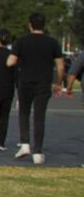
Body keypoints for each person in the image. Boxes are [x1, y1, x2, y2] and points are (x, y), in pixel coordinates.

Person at [7, 12, 63, 165]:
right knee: (39, 117)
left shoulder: (22, 41)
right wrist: (58, 83)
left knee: (23, 113)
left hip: (25, 81)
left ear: (29, 25)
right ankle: (37, 152)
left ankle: (25, 144)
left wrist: (20, 59)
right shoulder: (52, 42)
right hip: (43, 83)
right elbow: (60, 66)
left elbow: (10, 62)